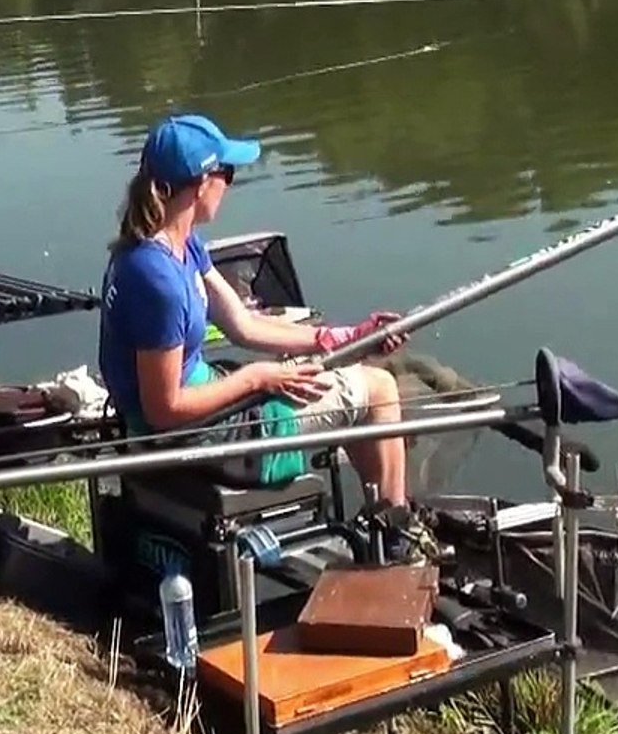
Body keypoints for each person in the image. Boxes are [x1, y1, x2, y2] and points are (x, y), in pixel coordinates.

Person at [96, 113, 435, 556]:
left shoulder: (174, 243)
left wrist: (342, 338)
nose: (230, 185)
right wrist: (257, 379)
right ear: (200, 183)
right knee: (380, 388)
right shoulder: (156, 279)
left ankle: (387, 523)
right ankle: (397, 537)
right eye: (228, 173)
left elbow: (243, 324)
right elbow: (164, 409)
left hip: (213, 408)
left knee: (351, 372)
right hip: (208, 437)